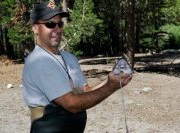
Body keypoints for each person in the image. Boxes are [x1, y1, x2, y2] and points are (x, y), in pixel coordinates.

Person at [22, 1, 133, 133]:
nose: (57, 29)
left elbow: (85, 90)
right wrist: (111, 87)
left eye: (60, 24)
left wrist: (112, 79)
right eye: (50, 24)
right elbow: (71, 104)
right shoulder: (38, 61)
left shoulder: (69, 58)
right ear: (35, 28)